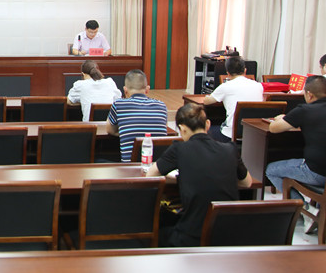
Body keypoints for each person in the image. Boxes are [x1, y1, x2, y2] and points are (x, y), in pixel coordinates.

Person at [147, 103, 252, 247]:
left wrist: (180, 178)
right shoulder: (230, 149)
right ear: (208, 124)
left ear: (182, 129)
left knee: (157, 231)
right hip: (229, 237)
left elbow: (151, 174)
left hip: (193, 237)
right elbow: (247, 183)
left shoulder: (179, 149)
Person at [266, 76, 326, 227]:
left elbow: (273, 128)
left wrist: (282, 118)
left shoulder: (305, 110)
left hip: (317, 173)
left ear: (309, 94)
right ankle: (320, 211)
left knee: (271, 170)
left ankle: (305, 210)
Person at [107, 69, 167, 162]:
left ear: (125, 90)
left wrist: (124, 132)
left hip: (130, 167)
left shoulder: (118, 104)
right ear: (147, 90)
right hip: (157, 167)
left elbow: (109, 130)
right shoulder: (162, 106)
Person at [203, 56, 263, 142]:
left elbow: (206, 102)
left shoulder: (225, 86)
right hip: (253, 135)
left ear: (228, 73)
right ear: (245, 70)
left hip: (230, 135)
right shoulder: (258, 86)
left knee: (204, 130)